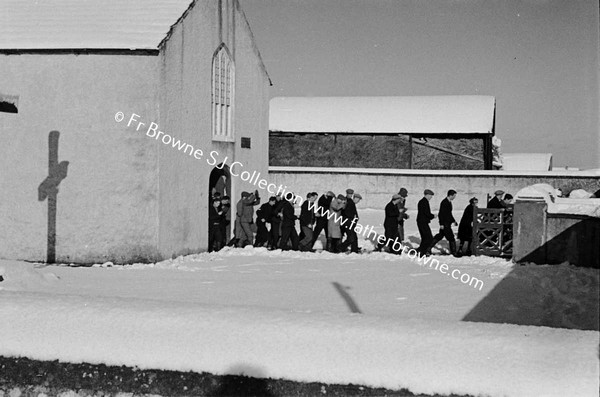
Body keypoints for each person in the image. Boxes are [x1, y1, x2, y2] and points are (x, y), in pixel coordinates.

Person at [429, 190, 458, 256]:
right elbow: (441, 214)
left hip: (447, 223)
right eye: (454, 196)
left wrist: (453, 221)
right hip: (445, 224)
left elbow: (449, 213)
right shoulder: (444, 202)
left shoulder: (449, 202)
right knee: (451, 237)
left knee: (440, 236)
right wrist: (441, 224)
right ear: (450, 195)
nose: (454, 197)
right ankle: (454, 252)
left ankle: (428, 247)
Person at [340, 189, 360, 253]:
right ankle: (340, 247)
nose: (350, 195)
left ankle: (354, 249)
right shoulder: (345, 201)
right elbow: (345, 212)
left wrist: (356, 217)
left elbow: (353, 211)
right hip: (347, 221)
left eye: (351, 194)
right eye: (349, 194)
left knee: (354, 237)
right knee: (351, 237)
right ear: (347, 193)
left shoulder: (351, 201)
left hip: (351, 222)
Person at [417, 189, 436, 256]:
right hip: (423, 222)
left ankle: (420, 251)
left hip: (422, 222)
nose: (431, 197)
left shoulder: (422, 201)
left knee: (425, 238)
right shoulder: (424, 202)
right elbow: (426, 213)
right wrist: (433, 216)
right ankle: (421, 251)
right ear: (427, 195)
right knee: (428, 238)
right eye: (431, 195)